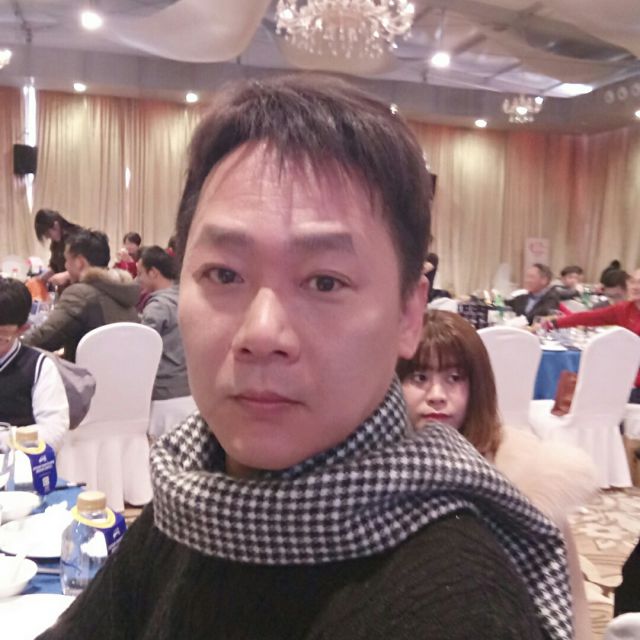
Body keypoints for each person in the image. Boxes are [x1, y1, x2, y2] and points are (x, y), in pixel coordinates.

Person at [38, 75, 571, 640]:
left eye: (324, 281)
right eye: (224, 274)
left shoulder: (454, 604)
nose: (262, 333)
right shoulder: (197, 487)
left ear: (409, 314)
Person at [397, 309, 597, 639]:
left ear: (477, 387)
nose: (437, 395)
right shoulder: (376, 474)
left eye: (454, 378)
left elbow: (570, 601)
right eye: (419, 378)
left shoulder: (532, 477)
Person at [23, 229, 139, 362]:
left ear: (80, 263)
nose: (65, 266)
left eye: (67, 260)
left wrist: (12, 344)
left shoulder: (81, 294)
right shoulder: (124, 292)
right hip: (123, 371)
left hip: (86, 373)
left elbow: (42, 339)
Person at [546, 268, 640, 403]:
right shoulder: (625, 309)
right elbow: (588, 317)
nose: (635, 287)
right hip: (627, 379)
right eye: (633, 282)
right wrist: (553, 323)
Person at [0, 278, 69, 451]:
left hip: (15, 461)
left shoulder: (38, 367)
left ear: (22, 329)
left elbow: (53, 432)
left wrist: (6, 438)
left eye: (1, 337)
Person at [137, 246, 189, 402]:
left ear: (153, 272)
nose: (138, 280)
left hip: (164, 392)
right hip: (188, 388)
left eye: (140, 274)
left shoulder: (158, 306)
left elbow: (142, 349)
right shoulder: (186, 297)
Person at [34, 209, 82, 289]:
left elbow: (87, 268)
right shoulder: (56, 243)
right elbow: (54, 267)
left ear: (56, 225)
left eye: (48, 234)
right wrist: (41, 278)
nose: (48, 237)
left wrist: (66, 275)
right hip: (66, 290)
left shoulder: (78, 238)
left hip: (80, 289)